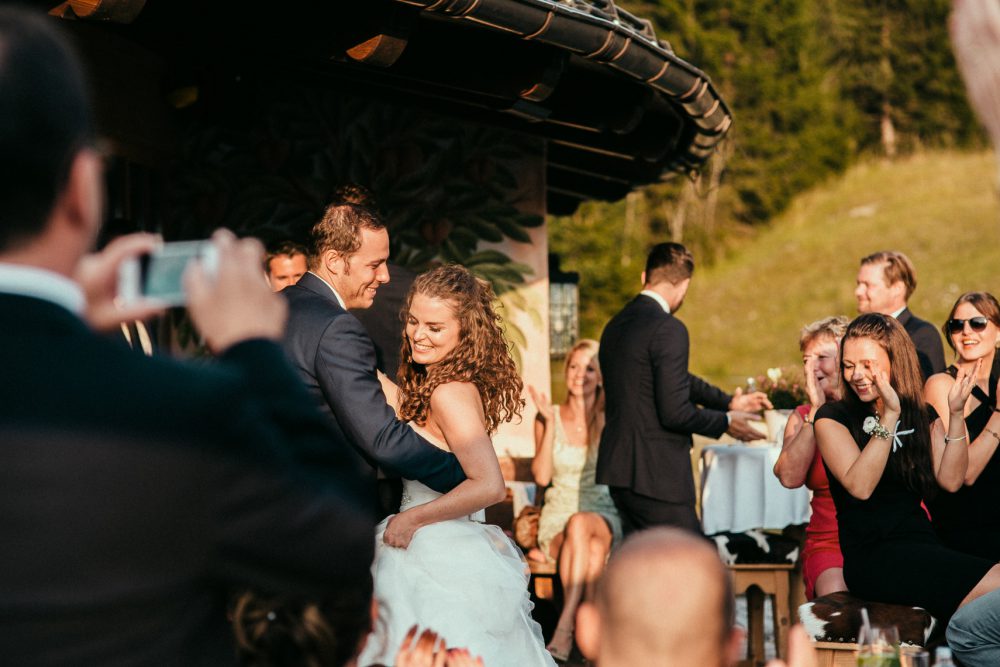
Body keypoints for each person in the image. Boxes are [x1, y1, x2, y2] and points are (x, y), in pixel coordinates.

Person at [0, 7, 375, 663]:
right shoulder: (179, 410)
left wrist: (63, 323)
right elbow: (339, 536)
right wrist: (254, 348)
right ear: (84, 188)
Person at [357, 264, 556, 667]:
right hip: (437, 544)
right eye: (413, 321)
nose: (418, 334)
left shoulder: (449, 392)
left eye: (435, 327)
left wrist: (411, 521)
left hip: (435, 549)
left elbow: (489, 485)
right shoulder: (439, 384)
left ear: (465, 330)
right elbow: (410, 418)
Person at [281, 203, 465, 518]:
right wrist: (461, 475)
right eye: (375, 264)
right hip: (322, 514)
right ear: (334, 262)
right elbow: (381, 438)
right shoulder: (336, 327)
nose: (385, 275)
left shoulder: (272, 308)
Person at [814, 314, 1000, 622]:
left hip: (922, 543)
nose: (857, 375)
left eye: (867, 365)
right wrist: (889, 417)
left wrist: (954, 415)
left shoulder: (920, 414)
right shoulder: (832, 417)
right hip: (874, 557)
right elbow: (861, 486)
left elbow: (952, 480)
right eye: (849, 365)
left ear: (893, 361)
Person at [596, 242, 769, 535]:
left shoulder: (614, 326)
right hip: (656, 476)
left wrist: (727, 402)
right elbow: (675, 413)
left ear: (644, 277)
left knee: (647, 566)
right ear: (684, 284)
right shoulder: (669, 328)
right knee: (692, 563)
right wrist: (726, 422)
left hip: (620, 472)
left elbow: (677, 379)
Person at [528, 339, 622, 661]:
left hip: (603, 513)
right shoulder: (547, 415)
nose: (580, 374)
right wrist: (550, 424)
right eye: (574, 366)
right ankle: (590, 642)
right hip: (557, 519)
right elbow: (541, 477)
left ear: (601, 376)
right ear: (566, 371)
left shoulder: (610, 418)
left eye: (590, 368)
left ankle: (566, 625)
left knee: (582, 524)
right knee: (590, 549)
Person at [773, 316, 849, 600]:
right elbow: (789, 477)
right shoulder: (803, 416)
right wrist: (817, 411)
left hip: (879, 535)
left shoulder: (871, 408)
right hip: (829, 541)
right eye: (807, 359)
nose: (812, 368)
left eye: (822, 358)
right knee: (836, 599)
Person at [924, 292, 1000, 561]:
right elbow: (965, 473)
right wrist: (999, 414)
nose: (966, 331)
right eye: (957, 325)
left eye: (977, 323)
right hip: (969, 528)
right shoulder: (942, 385)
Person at [854, 251, 945, 380]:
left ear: (897, 288)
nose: (858, 291)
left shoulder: (923, 335)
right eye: (858, 284)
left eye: (868, 285)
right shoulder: (855, 333)